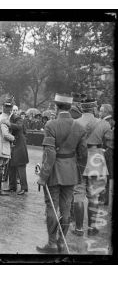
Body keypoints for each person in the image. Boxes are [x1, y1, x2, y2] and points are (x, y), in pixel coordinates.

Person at [36, 93, 88, 253]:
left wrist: (42, 177)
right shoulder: (80, 127)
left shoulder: (51, 125)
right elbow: (83, 153)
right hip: (71, 172)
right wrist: (77, 170)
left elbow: (50, 154)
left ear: (57, 106)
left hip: (54, 173)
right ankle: (60, 242)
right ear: (70, 106)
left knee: (51, 207)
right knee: (66, 208)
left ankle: (51, 243)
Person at [71, 98, 113, 237]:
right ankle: (91, 228)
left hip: (79, 161)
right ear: (94, 108)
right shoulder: (103, 123)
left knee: (78, 194)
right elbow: (111, 143)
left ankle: (78, 229)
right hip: (96, 160)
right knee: (94, 196)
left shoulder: (75, 123)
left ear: (82, 108)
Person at [0, 101, 15, 196]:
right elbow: (5, 134)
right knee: (0, 168)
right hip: (2, 146)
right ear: (10, 109)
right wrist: (14, 138)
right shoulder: (5, 119)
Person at [8, 109, 29, 194]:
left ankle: (24, 188)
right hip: (14, 146)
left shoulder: (18, 118)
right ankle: (12, 187)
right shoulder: (9, 117)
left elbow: (19, 127)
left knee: (21, 168)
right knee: (11, 167)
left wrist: (8, 123)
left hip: (20, 146)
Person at [99, 103, 114, 207]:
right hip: (107, 151)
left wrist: (105, 149)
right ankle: (104, 199)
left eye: (101, 110)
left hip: (106, 152)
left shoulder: (107, 122)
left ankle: (103, 199)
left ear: (106, 112)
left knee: (104, 176)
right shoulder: (109, 122)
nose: (99, 112)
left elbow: (108, 138)